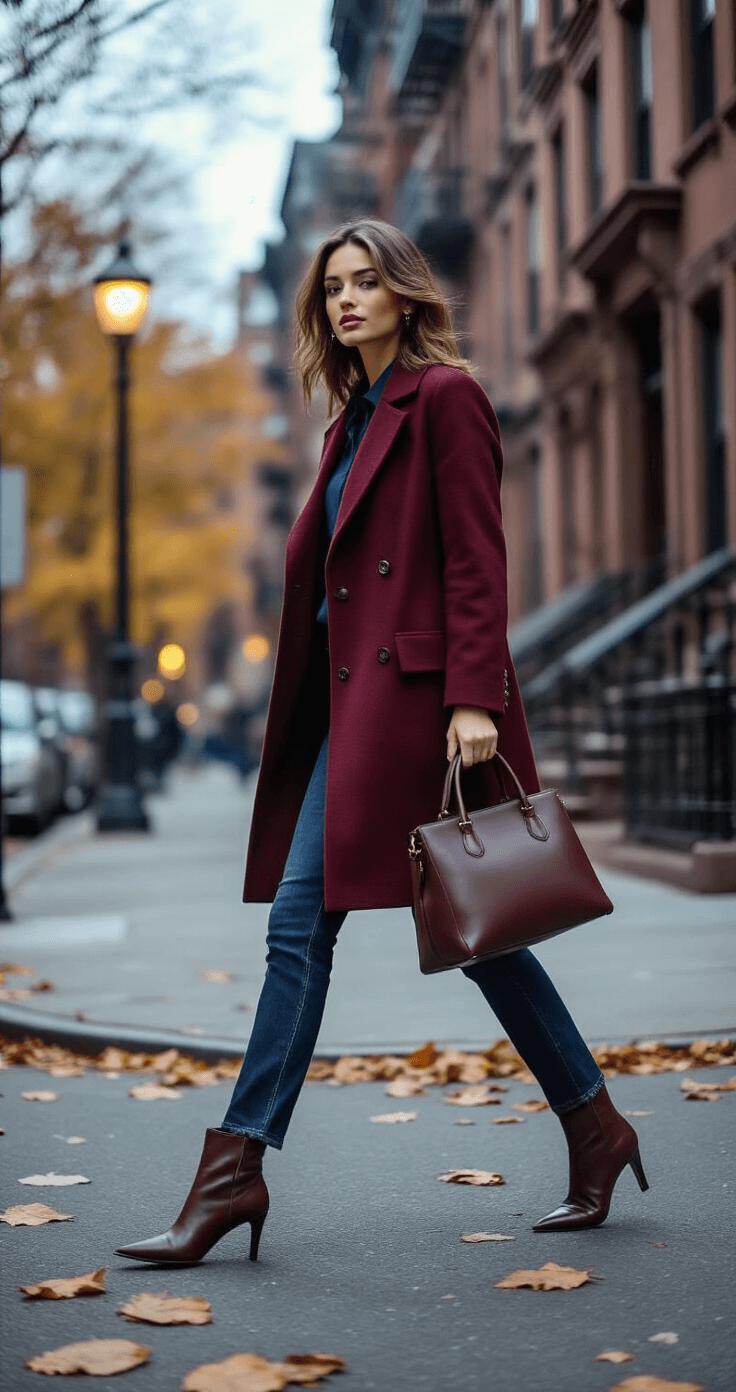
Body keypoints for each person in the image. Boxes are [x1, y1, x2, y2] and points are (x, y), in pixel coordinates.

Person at [116, 219, 648, 1267]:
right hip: (345, 714)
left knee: (452, 929)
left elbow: (474, 561)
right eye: (332, 289)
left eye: (367, 283)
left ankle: (234, 1175)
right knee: (397, 934)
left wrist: (472, 697)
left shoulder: (443, 397)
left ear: (405, 295)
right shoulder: (345, 420)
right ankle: (592, 1127)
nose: (346, 301)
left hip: (416, 710)